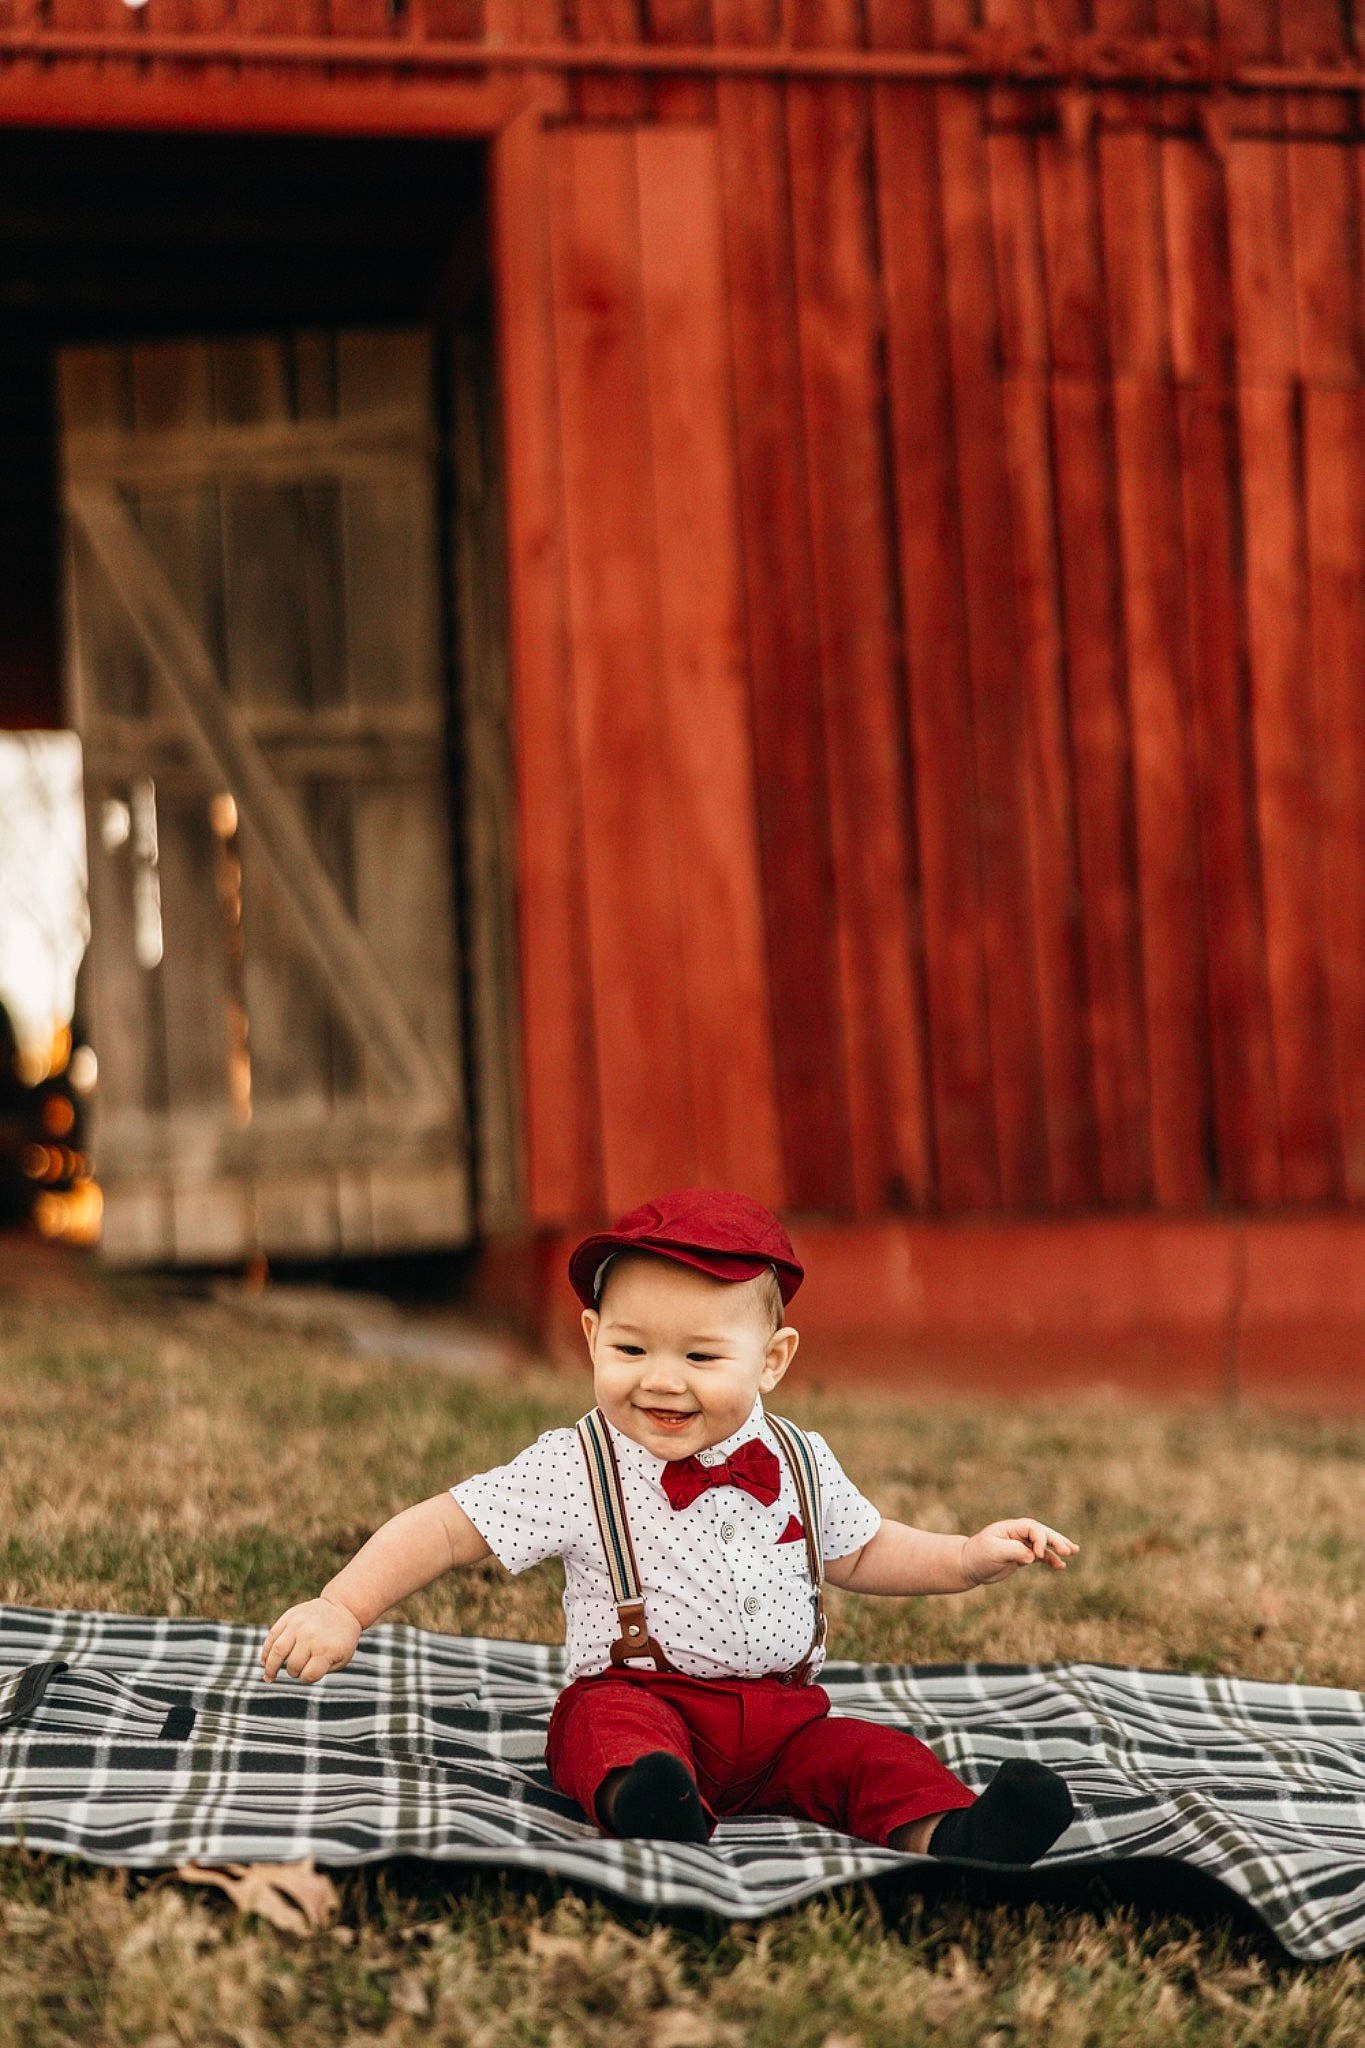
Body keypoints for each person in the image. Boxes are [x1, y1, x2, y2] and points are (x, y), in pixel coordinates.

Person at [261, 1189, 1078, 1863]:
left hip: (782, 1722)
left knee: (872, 1757)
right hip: (645, 1694)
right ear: (590, 1338)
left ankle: (958, 1832)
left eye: (700, 1358)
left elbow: (863, 1549)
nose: (660, 1381)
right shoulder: (579, 1465)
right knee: (600, 1733)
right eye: (629, 1348)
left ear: (772, 1360)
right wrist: (343, 1606)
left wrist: (966, 1556)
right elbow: (446, 1528)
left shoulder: (796, 1456)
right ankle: (650, 1804)